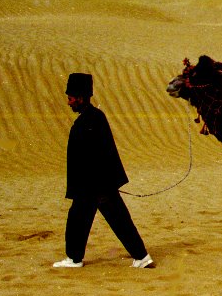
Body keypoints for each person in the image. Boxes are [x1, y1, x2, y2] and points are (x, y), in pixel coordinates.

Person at [53, 73, 154, 269]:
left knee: (114, 221)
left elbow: (98, 155)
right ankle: (75, 258)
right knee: (83, 220)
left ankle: (140, 257)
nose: (69, 102)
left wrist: (95, 187)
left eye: (71, 98)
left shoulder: (92, 119)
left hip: (95, 186)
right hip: (94, 186)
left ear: (81, 97)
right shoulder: (91, 118)